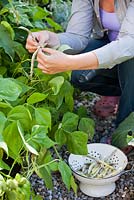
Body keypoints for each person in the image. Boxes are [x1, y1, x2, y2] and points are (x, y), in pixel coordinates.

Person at [26, 0, 134, 151]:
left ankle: (126, 134)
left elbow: (129, 44)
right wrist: (51, 38)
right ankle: (123, 91)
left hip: (130, 52)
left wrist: (71, 62)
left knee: (130, 61)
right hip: (115, 49)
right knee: (79, 74)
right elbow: (77, 36)